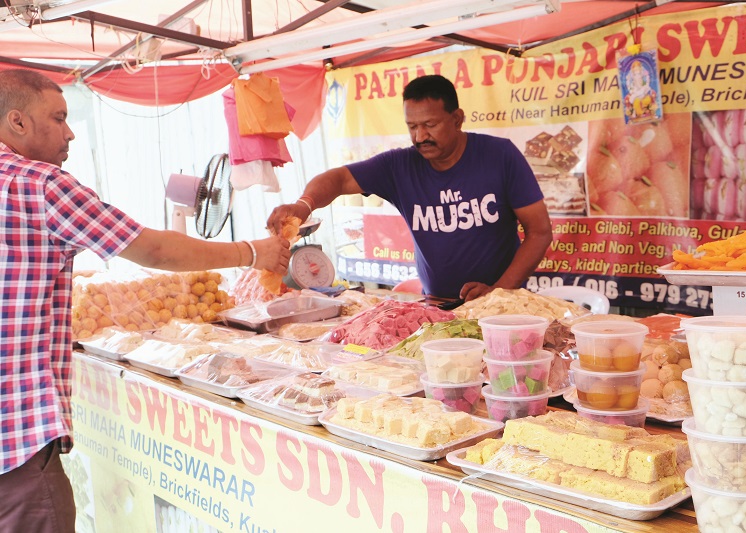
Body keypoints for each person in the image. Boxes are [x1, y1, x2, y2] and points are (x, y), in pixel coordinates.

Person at [0, 68, 291, 533]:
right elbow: (152, 249)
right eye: (58, 118)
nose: (70, 132)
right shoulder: (40, 184)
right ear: (17, 122)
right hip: (15, 441)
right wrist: (252, 252)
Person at [268, 74, 552, 301]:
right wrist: (303, 205)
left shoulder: (499, 156)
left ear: (457, 119)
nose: (420, 136)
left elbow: (539, 232)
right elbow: (339, 179)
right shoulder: (399, 166)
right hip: (437, 306)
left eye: (430, 124)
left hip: (502, 307)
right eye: (412, 126)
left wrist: (498, 292)